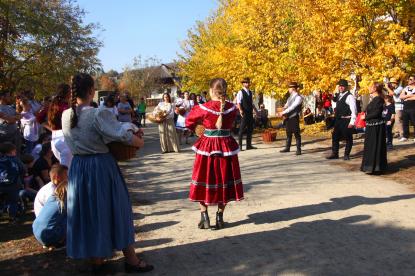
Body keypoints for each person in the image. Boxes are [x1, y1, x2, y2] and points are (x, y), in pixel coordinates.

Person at [61, 73, 152, 273]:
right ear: (92, 91)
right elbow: (121, 135)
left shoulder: (66, 115)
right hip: (100, 167)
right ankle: (131, 260)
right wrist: (138, 141)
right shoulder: (96, 114)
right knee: (116, 209)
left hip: (78, 168)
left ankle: (97, 261)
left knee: (89, 214)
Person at [185, 78, 243, 230]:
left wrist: (200, 129)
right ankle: (219, 217)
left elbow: (189, 122)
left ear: (211, 91)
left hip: (207, 148)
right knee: (224, 181)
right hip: (226, 147)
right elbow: (234, 123)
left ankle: (204, 216)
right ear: (225, 91)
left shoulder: (202, 108)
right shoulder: (232, 108)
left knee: (203, 180)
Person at [32, 165, 68, 248]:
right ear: (57, 177)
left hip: (39, 228)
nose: (68, 177)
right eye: (66, 175)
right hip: (48, 229)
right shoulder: (50, 191)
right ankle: (59, 240)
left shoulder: (56, 191)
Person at [327, 79, 357, 160]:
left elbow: (354, 110)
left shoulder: (350, 96)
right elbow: (334, 100)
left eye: (342, 86)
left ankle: (346, 154)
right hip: (338, 120)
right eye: (340, 86)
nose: (341, 88)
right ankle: (335, 153)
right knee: (335, 136)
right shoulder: (339, 95)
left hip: (346, 120)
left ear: (346, 87)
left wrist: (352, 122)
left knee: (348, 137)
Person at [361, 82, 387, 174]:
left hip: (376, 127)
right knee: (370, 146)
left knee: (375, 145)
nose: (369, 88)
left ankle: (376, 167)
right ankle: (369, 166)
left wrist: (365, 117)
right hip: (371, 126)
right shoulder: (373, 99)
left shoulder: (379, 99)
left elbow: (377, 113)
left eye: (371, 86)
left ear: (375, 88)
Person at [47, 83, 72, 167]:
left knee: (65, 168)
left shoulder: (53, 104)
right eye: (70, 91)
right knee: (66, 171)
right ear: (67, 93)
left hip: (55, 137)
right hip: (63, 140)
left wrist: (52, 129)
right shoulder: (65, 107)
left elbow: (39, 118)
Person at [0, 143, 25, 222]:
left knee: (1, 199)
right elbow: (22, 169)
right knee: (13, 201)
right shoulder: (15, 159)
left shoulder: (1, 159)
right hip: (14, 184)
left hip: (1, 184)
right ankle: (12, 216)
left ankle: (1, 212)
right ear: (12, 151)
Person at [277, 82, 303, 155]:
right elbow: (286, 106)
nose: (288, 89)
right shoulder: (290, 97)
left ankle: (298, 149)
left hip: (294, 117)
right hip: (288, 117)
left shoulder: (298, 97)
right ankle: (287, 148)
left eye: (289, 88)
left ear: (293, 88)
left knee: (296, 133)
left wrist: (282, 113)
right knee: (288, 133)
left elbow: (292, 107)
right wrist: (281, 110)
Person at [236, 77, 258, 150]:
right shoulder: (240, 92)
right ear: (243, 84)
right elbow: (238, 102)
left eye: (248, 82)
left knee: (250, 129)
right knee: (241, 129)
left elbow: (251, 103)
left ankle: (249, 145)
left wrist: (256, 110)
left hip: (250, 113)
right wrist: (240, 110)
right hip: (244, 113)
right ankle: (240, 146)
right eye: (245, 82)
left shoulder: (250, 92)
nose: (247, 84)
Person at [0, 91, 22, 156]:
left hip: (15, 134)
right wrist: (15, 118)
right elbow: (10, 121)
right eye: (8, 96)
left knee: (17, 154)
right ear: (2, 97)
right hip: (6, 136)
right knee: (7, 155)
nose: (10, 97)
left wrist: (13, 118)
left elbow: (20, 116)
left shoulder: (10, 107)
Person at [399, 75, 415, 142]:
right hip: (405, 107)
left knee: (414, 122)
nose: (409, 80)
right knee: (405, 122)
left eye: (410, 79)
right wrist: (410, 95)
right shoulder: (405, 88)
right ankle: (405, 136)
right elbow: (400, 97)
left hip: (413, 107)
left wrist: (406, 97)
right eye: (409, 79)